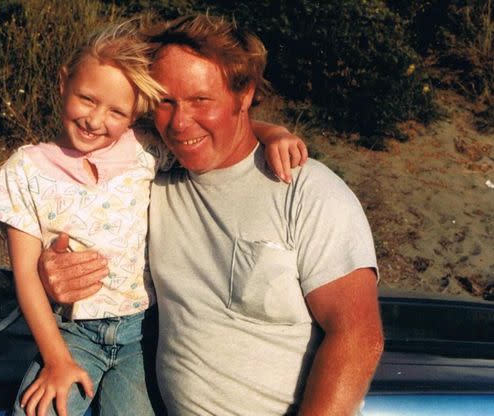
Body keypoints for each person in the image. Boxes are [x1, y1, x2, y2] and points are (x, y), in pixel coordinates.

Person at [38, 14, 384, 416]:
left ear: (244, 94)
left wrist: (272, 134)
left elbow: (358, 337)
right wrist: (53, 276)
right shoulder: (148, 177)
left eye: (201, 101)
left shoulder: (306, 191)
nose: (181, 123)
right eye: (166, 102)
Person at [0, 19, 307, 416]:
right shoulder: (25, 170)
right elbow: (27, 275)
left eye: (116, 111)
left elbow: (218, 135)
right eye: (86, 98)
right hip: (72, 335)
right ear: (63, 81)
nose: (96, 120)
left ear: (134, 116)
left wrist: (272, 132)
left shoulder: (143, 152)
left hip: (144, 335)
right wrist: (56, 358)